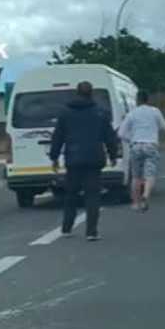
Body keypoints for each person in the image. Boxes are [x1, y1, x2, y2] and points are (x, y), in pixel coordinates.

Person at [49, 81, 120, 241]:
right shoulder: (100, 113)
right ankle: (91, 232)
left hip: (73, 158)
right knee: (92, 195)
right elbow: (109, 137)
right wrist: (113, 154)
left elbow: (58, 136)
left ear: (77, 93)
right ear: (91, 93)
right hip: (94, 158)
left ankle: (67, 228)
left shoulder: (65, 113)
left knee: (71, 194)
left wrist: (54, 157)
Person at [117, 90, 165, 211]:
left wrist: (131, 139)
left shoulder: (132, 114)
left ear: (137, 100)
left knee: (136, 176)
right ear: (148, 100)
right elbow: (164, 126)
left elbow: (121, 133)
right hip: (151, 145)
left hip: (136, 145)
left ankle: (136, 203)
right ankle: (145, 195)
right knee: (150, 174)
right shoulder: (155, 111)